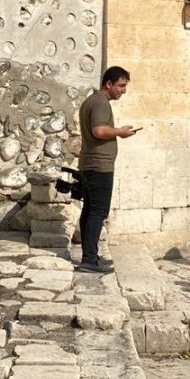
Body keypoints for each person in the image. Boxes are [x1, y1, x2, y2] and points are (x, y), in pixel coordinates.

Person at [77, 66, 137, 274]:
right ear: (108, 84)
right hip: (98, 166)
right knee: (98, 212)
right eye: (121, 86)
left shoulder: (93, 101)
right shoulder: (100, 102)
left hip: (91, 164)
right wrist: (120, 132)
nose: (123, 90)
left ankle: (90, 255)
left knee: (90, 210)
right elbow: (99, 130)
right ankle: (89, 260)